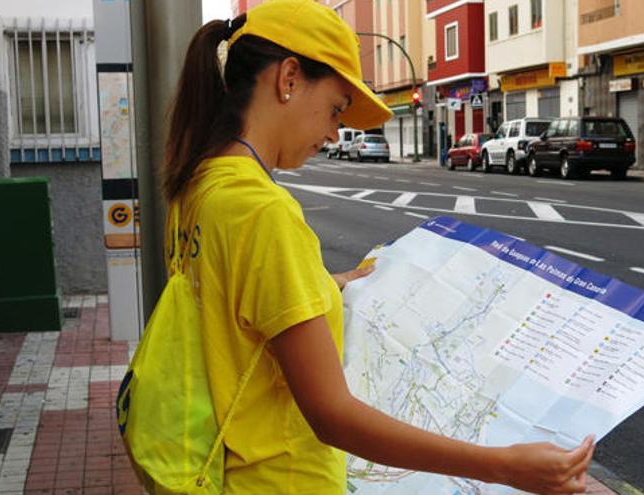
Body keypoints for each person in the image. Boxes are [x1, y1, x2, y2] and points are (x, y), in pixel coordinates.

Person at [161, 1, 595, 493]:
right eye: (335, 109)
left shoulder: (197, 187)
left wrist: (323, 285)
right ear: (288, 78)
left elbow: (230, 311)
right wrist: (503, 466)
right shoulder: (263, 211)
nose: (332, 133)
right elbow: (332, 416)